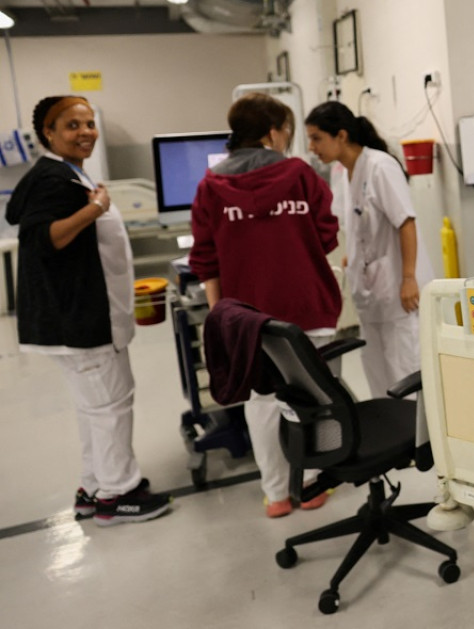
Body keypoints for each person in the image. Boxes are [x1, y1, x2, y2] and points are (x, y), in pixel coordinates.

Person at [5, 96, 172, 525]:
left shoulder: (65, 173)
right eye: (72, 125)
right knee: (111, 406)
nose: (85, 132)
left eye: (89, 123)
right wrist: (95, 208)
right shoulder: (53, 180)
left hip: (80, 314)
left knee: (95, 408)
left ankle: (94, 485)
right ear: (49, 132)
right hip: (79, 317)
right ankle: (118, 496)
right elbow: (46, 239)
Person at [188, 93, 343, 518]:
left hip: (248, 319)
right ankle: (313, 484)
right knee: (318, 395)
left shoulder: (210, 186)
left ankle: (276, 494)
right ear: (274, 133)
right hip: (308, 305)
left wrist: (222, 319)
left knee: (261, 403)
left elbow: (205, 260)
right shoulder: (300, 174)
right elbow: (327, 235)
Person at [304, 102, 432, 399]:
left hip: (399, 291)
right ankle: (392, 436)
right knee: (377, 372)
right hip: (371, 292)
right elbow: (355, 223)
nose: (311, 147)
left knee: (405, 369)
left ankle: (417, 441)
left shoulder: (380, 166)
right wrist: (354, 256)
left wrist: (409, 278)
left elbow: (406, 223)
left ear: (341, 136)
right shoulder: (342, 172)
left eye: (317, 138)